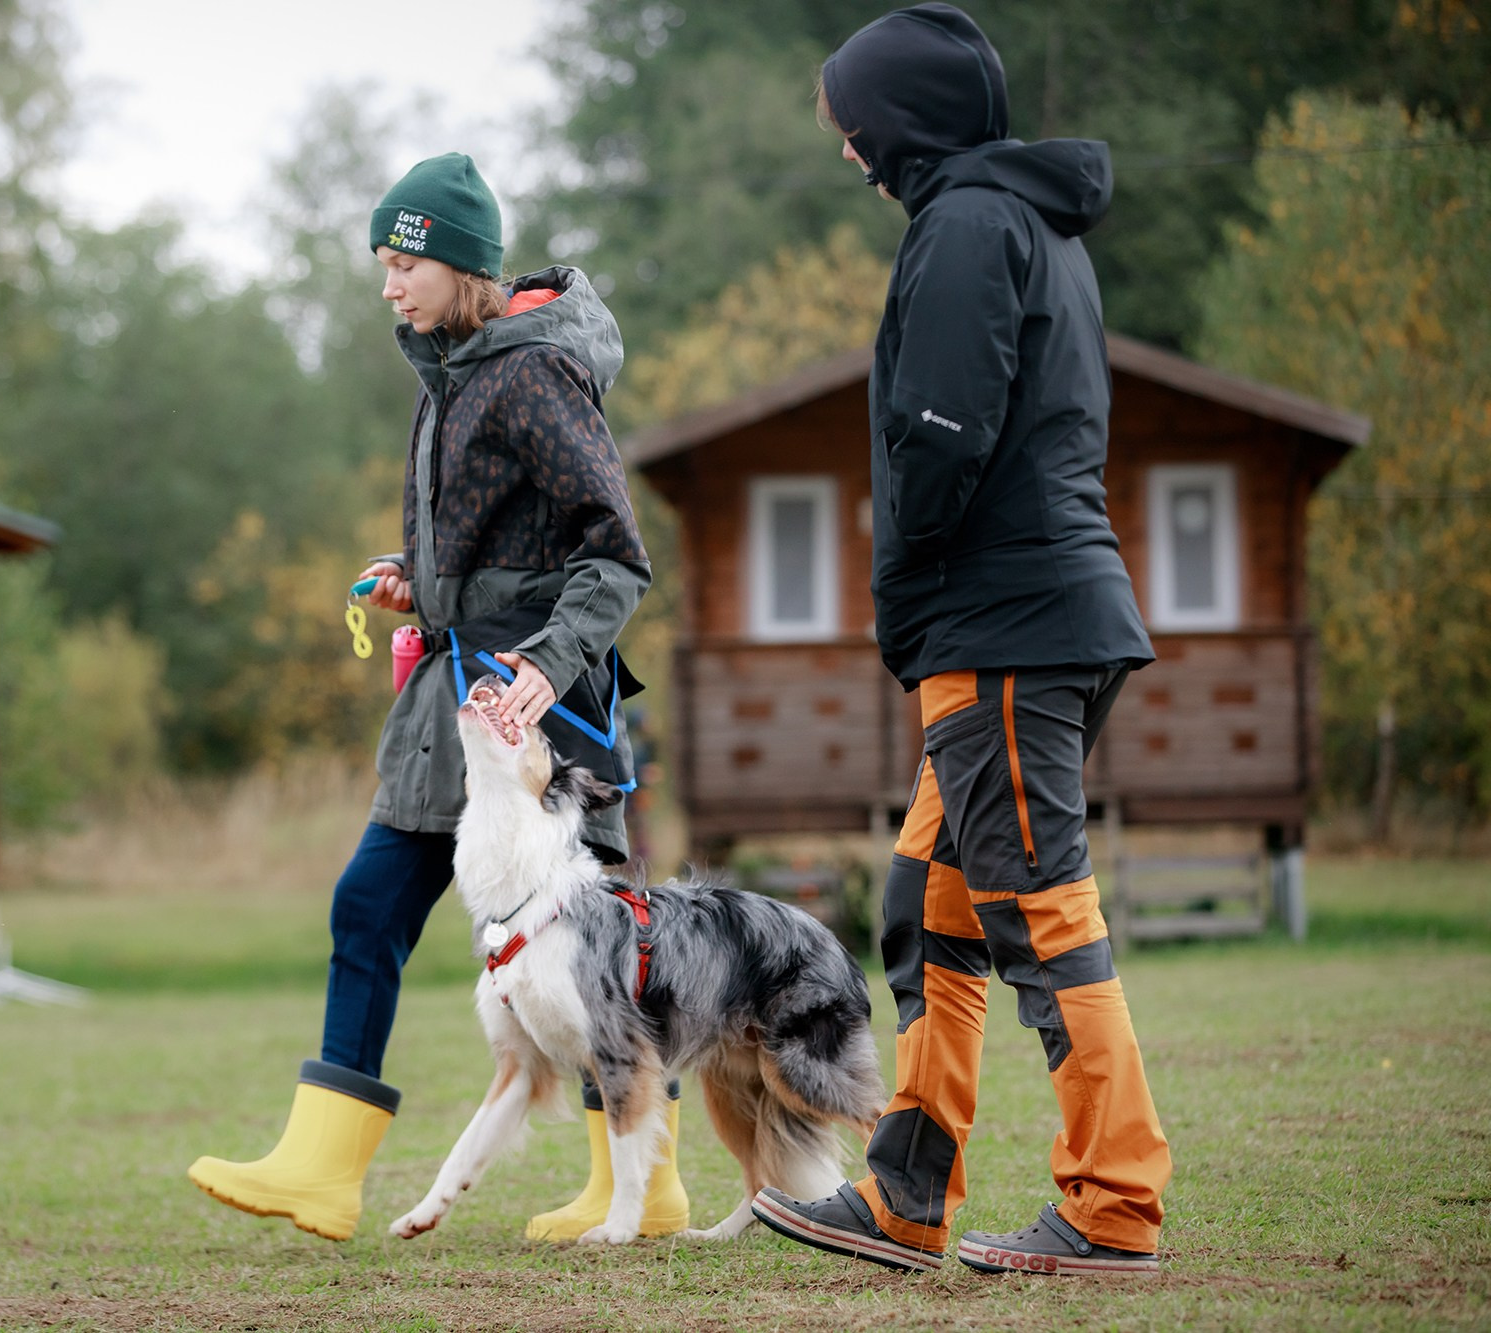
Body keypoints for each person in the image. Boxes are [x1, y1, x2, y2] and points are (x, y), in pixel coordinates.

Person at [187, 152, 685, 1242]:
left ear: (463, 264)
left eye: (404, 260)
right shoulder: (450, 370)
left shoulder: (531, 374)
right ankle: (322, 1165)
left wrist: (544, 668)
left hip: (532, 713)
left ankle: (640, 1185)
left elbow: (614, 557)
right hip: (447, 696)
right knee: (368, 905)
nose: (388, 285)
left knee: (593, 955)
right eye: (382, 262)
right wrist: (419, 579)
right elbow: (508, 543)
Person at [749, 4, 1172, 1276]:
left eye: (852, 128)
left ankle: (1112, 1203)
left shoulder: (967, 227)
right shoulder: (1019, 223)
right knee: (926, 908)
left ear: (898, 124)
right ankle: (904, 1197)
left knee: (1036, 913)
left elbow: (939, 437)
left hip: (1001, 627)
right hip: (1028, 615)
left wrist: (907, 600)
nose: (846, 154)